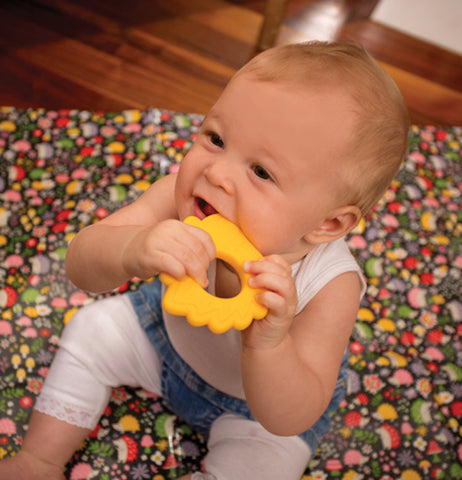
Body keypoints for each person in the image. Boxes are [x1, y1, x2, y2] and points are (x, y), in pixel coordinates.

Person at [0, 41, 409, 480]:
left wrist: (269, 343)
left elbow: (292, 417)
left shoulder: (332, 283)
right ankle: (39, 460)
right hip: (160, 341)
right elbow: (80, 265)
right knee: (89, 329)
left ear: (327, 223)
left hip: (252, 414)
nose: (216, 173)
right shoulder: (180, 194)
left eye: (261, 172)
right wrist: (132, 246)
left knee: (269, 465)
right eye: (216, 139)